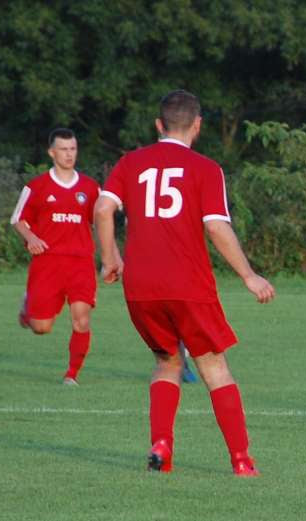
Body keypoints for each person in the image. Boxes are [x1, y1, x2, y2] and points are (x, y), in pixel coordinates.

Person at [94, 90, 275, 476]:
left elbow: (103, 209)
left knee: (166, 361)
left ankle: (162, 445)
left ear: (158, 125)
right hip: (187, 282)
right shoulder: (206, 168)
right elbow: (215, 226)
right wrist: (248, 274)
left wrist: (110, 258)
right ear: (198, 125)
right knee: (215, 368)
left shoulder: (130, 163)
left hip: (141, 286)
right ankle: (242, 461)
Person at [10, 128, 100, 386]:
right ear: (52, 152)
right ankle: (29, 308)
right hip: (48, 263)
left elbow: (100, 220)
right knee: (41, 328)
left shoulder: (90, 187)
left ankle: (71, 374)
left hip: (81, 261)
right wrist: (32, 238)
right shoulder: (37, 186)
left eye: (73, 149)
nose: (69, 154)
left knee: (81, 318)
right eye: (63, 149)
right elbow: (18, 219)